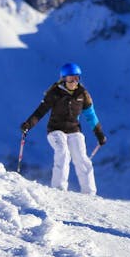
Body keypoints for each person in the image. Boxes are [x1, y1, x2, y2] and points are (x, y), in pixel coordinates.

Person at [21, 62, 107, 196]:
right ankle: (59, 189)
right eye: (70, 78)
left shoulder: (82, 94)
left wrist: (99, 134)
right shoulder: (55, 93)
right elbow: (41, 111)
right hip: (55, 130)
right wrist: (28, 124)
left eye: (76, 78)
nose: (74, 82)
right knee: (63, 151)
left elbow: (90, 115)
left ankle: (89, 193)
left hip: (74, 130)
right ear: (63, 78)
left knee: (81, 158)